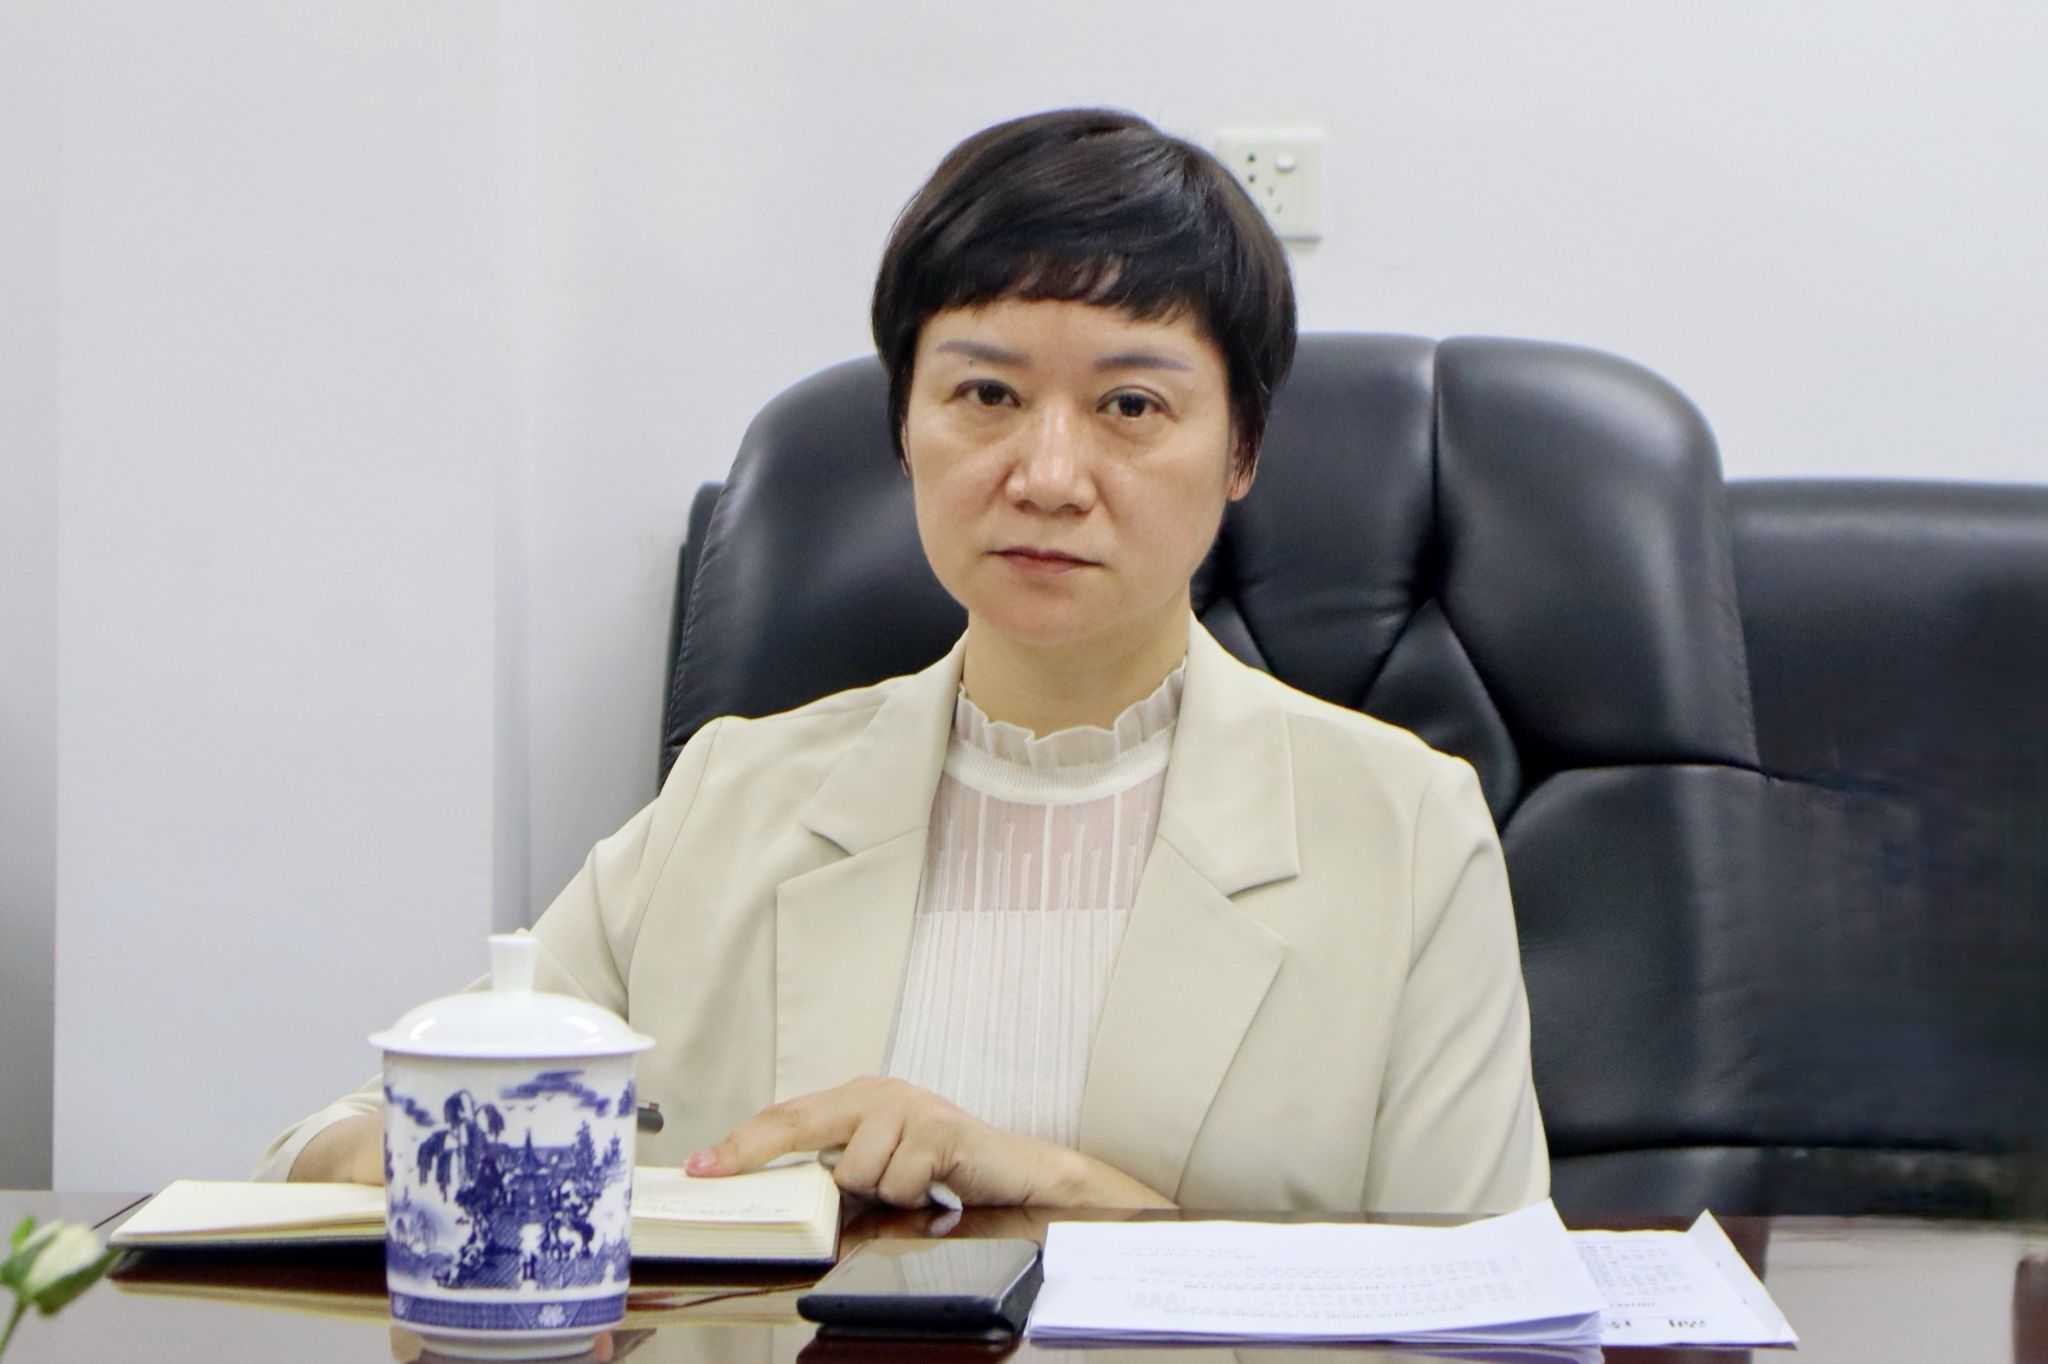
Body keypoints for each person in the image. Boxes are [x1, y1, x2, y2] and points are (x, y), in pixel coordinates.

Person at [262, 107, 1548, 1213]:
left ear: (1240, 450)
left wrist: (1057, 1188)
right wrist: (404, 1158)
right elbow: (332, 1137)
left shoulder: (1404, 828)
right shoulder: (732, 796)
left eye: (1130, 405)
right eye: (986, 395)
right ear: (903, 426)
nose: (1047, 476)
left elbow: (1485, 1309)